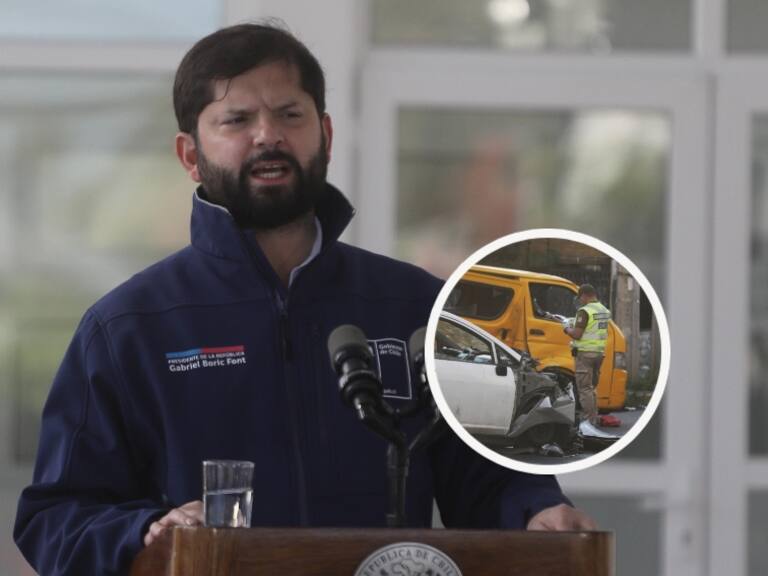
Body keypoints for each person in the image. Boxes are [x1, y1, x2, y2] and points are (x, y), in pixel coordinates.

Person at [14, 23, 595, 575]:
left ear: (326, 135)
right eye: (236, 119)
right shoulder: (129, 329)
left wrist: (533, 511)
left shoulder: (416, 305)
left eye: (289, 114)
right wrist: (148, 531)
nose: (267, 135)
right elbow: (55, 521)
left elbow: (488, 478)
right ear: (190, 154)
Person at [564, 284, 611, 426]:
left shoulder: (584, 311)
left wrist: (566, 329)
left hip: (585, 354)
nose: (580, 301)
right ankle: (594, 418)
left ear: (585, 295)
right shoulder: (604, 310)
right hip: (599, 354)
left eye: (581, 298)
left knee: (584, 389)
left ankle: (588, 422)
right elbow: (593, 328)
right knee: (591, 388)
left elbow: (577, 334)